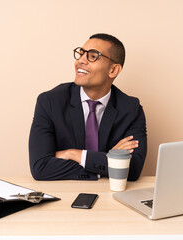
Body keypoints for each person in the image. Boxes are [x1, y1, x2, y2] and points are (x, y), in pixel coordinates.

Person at [29, 33, 147, 181]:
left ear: (113, 70)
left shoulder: (131, 109)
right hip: (64, 194)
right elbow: (40, 167)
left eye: (92, 56)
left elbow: (133, 169)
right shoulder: (50, 102)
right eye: (80, 54)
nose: (81, 61)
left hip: (110, 195)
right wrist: (109, 160)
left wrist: (73, 154)